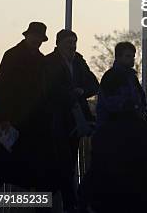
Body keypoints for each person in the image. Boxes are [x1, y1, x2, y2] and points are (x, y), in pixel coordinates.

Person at [0, 22, 55, 191]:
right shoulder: (12, 55)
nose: (37, 40)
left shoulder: (41, 60)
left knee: (25, 169)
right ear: (27, 36)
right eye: (35, 36)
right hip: (13, 120)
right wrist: (3, 117)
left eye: (39, 37)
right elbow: (2, 87)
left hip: (32, 122)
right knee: (2, 166)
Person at [79, 99, 147, 213]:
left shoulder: (102, 133)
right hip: (136, 201)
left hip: (106, 203)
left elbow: (94, 172)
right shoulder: (141, 130)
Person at [45, 29, 99, 212]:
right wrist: (70, 94)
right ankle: (69, 203)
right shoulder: (49, 62)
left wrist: (81, 91)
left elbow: (94, 84)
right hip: (57, 120)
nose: (72, 46)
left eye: (74, 42)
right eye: (69, 42)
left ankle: (66, 203)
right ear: (58, 43)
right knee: (62, 164)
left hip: (75, 121)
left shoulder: (79, 61)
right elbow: (49, 89)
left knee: (67, 165)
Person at [96, 41, 146, 128]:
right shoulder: (111, 77)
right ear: (118, 57)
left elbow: (140, 98)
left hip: (129, 124)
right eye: (128, 56)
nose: (132, 59)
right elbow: (110, 103)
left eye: (133, 56)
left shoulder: (132, 77)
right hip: (114, 126)